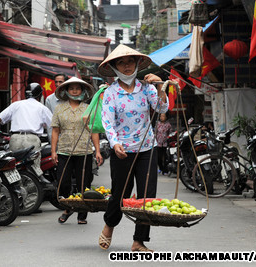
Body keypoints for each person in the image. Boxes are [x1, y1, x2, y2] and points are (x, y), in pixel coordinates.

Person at [98, 44, 168, 252]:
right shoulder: (111, 93)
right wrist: (115, 143)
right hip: (122, 150)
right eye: (122, 62)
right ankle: (110, 225)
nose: (127, 66)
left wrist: (159, 87)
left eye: (130, 62)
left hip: (147, 148)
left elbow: (162, 108)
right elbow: (107, 122)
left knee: (147, 195)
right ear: (115, 67)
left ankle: (139, 241)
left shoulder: (145, 88)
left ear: (137, 64)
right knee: (121, 193)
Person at [51, 77, 103, 225]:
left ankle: (82, 214)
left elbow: (94, 131)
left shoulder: (88, 108)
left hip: (84, 151)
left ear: (82, 91)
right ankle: (68, 208)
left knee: (83, 184)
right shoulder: (59, 108)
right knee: (63, 182)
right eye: (71, 88)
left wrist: (97, 151)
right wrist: (53, 151)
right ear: (66, 91)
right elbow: (55, 131)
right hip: (64, 150)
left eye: (77, 88)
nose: (74, 91)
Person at [0, 83, 52, 174]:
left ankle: (15, 187)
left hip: (15, 139)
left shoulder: (16, 105)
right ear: (40, 95)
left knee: (13, 168)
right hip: (32, 139)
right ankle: (35, 186)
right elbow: (54, 125)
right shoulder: (42, 108)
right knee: (34, 169)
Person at [46, 73, 68, 141]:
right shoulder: (49, 99)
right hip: (56, 136)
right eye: (56, 82)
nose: (58, 84)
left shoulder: (71, 98)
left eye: (60, 82)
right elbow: (49, 121)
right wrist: (51, 139)